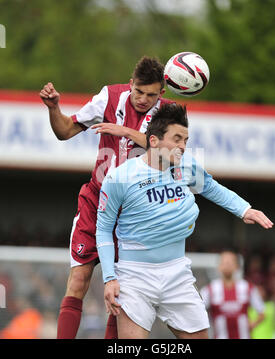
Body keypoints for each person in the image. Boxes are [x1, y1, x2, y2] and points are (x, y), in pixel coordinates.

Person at [96, 103, 273, 339]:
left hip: (177, 272)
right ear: (154, 141)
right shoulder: (119, 177)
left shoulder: (185, 167)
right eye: (177, 138)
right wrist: (109, 278)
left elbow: (210, 187)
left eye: (186, 140)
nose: (182, 146)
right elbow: (104, 229)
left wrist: (244, 209)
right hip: (134, 276)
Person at [40, 56, 173, 339]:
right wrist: (54, 109)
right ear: (130, 84)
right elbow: (64, 130)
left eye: (151, 94)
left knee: (121, 296)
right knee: (78, 279)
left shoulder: (170, 113)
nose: (143, 99)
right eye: (139, 91)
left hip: (136, 212)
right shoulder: (109, 97)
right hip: (97, 202)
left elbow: (169, 155)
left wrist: (124, 131)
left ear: (161, 93)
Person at [201, 250, 266, 339]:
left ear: (237, 267)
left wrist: (252, 324)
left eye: (230, 262)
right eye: (224, 262)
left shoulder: (248, 287)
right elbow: (197, 311)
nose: (227, 264)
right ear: (219, 266)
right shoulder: (209, 290)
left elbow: (262, 312)